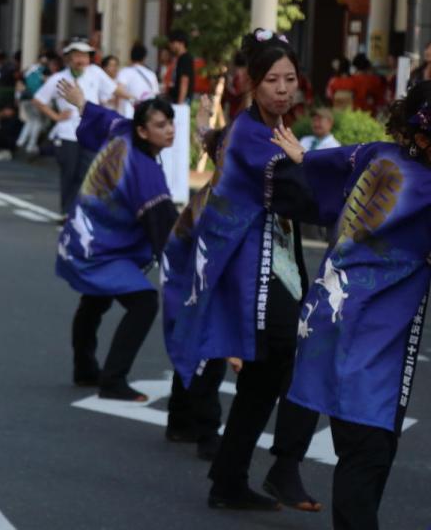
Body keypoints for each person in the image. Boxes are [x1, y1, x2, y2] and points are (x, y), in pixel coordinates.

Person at [166, 29, 323, 513]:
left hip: (268, 262)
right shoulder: (251, 135)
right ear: (252, 84)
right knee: (295, 353)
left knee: (265, 374)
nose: (282, 88)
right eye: (272, 79)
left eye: (290, 78)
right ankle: (283, 466)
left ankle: (229, 478)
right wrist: (315, 164)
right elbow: (301, 193)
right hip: (243, 267)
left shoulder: (272, 130)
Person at [273, 81, 431, 530]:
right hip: (368, 336)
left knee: (360, 449)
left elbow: (333, 161)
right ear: (421, 138)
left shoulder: (379, 155)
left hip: (330, 313)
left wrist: (303, 156)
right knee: (368, 453)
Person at [54, 80, 177, 401]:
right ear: (143, 131)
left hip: (83, 235)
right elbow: (163, 231)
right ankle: (113, 378)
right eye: (160, 125)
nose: (170, 131)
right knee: (144, 302)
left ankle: (85, 369)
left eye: (170, 123)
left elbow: (102, 117)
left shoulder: (122, 131)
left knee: (94, 300)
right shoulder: (145, 171)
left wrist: (81, 102)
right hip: (101, 248)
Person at [162, 107, 228, 462]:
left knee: (195, 350)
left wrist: (204, 124)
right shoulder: (218, 195)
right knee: (207, 354)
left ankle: (180, 421)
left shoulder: (222, 187)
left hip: (192, 276)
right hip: (195, 280)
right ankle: (206, 432)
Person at [32, 39, 126, 214]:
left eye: (84, 56)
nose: (81, 60)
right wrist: (56, 116)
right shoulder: (59, 79)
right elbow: (38, 100)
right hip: (67, 133)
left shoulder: (95, 73)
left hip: (91, 133)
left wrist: (136, 98)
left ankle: (81, 211)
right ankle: (66, 211)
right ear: (68, 58)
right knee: (69, 173)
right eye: (76, 56)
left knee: (87, 173)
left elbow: (114, 89)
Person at [116, 42, 161, 118]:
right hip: (146, 115)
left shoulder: (124, 72)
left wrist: (134, 99)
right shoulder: (151, 74)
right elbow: (155, 94)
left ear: (130, 56)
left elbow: (118, 90)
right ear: (144, 58)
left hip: (127, 114)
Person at [167, 30, 195, 104]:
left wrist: (180, 104)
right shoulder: (180, 59)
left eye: (173, 42)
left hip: (182, 101)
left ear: (181, 43)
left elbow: (184, 81)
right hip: (177, 99)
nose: (170, 45)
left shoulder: (185, 59)